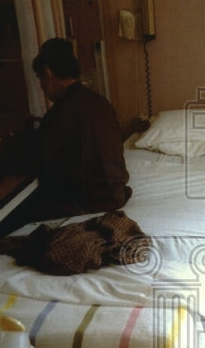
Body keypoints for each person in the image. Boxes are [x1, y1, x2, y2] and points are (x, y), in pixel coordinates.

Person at [8, 37, 131, 220]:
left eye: (40, 79)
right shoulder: (100, 103)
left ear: (48, 73)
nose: (41, 87)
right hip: (115, 195)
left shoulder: (60, 112)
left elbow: (33, 161)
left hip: (91, 202)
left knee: (14, 212)